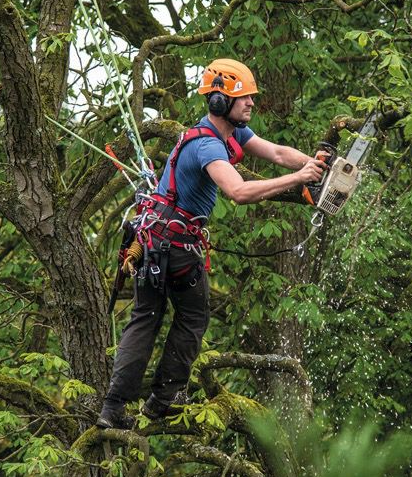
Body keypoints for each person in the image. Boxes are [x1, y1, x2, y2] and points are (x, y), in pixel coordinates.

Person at [96, 58, 326, 429]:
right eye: (243, 97)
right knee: (192, 318)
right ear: (220, 101)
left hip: (153, 241)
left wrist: (316, 167)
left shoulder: (232, 133)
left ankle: (113, 409)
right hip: (174, 249)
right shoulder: (207, 146)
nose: (251, 102)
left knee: (145, 320)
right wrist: (298, 179)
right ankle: (162, 402)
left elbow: (278, 153)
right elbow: (238, 192)